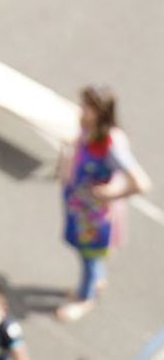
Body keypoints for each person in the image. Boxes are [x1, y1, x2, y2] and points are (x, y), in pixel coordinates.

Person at [56, 84, 151, 323]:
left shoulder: (111, 142)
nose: (81, 112)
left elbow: (141, 183)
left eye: (87, 108)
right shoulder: (90, 130)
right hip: (79, 205)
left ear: (101, 112)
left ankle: (85, 298)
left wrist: (112, 194)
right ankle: (97, 277)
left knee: (89, 256)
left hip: (93, 216)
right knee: (88, 253)